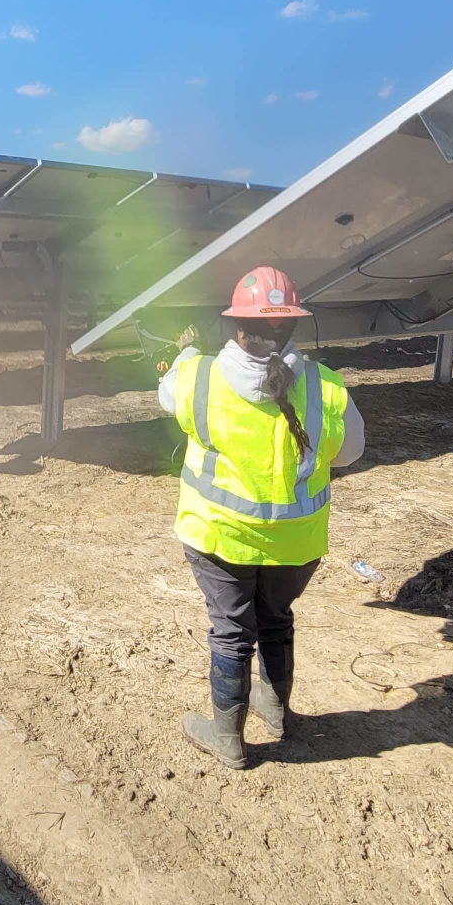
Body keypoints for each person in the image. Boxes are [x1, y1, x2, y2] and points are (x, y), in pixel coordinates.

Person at [157, 266, 365, 769]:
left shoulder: (197, 376)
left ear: (235, 325)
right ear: (292, 325)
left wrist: (185, 354)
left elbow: (167, 395)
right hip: (297, 544)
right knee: (277, 618)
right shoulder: (325, 386)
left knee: (231, 629)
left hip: (219, 537)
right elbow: (351, 451)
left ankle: (227, 736)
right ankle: (277, 711)